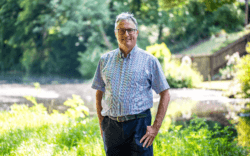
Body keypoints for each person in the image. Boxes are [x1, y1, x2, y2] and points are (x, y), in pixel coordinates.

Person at [91, 12, 171, 156]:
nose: (126, 34)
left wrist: (155, 128)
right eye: (121, 30)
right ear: (116, 33)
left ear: (137, 32)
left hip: (139, 125)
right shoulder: (105, 60)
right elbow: (99, 91)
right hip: (112, 127)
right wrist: (102, 123)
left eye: (130, 30)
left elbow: (165, 93)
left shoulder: (149, 61)